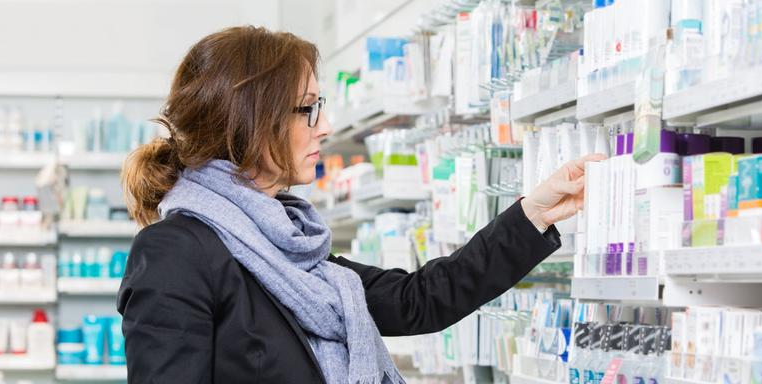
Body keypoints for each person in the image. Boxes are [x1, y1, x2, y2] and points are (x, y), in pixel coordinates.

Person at [118, 26, 604, 384]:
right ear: (251, 118)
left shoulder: (295, 246)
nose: (324, 126)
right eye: (308, 108)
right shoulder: (177, 252)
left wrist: (535, 212)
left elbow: (419, 299)